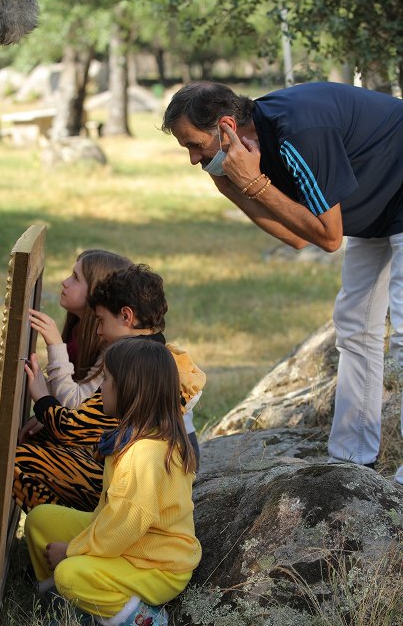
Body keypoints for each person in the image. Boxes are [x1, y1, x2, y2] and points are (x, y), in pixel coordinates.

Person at [162, 80, 403, 479]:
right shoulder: (256, 143)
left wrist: (254, 184)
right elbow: (295, 235)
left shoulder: (298, 134)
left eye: (193, 145)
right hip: (380, 202)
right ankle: (352, 457)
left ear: (225, 127)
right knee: (355, 323)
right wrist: (232, 184)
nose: (192, 159)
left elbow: (327, 237)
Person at [24, 337, 202, 626]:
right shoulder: (132, 434)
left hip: (156, 564)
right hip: (129, 545)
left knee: (69, 572)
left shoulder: (145, 454)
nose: (100, 388)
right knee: (41, 520)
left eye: (106, 381)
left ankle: (145, 623)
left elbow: (122, 526)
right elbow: (112, 517)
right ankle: (78, 608)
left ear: (130, 390)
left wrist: (71, 551)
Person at [13, 264, 206, 512]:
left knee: (17, 459)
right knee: (41, 437)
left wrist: (41, 396)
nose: (99, 331)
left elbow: (71, 430)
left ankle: (68, 533)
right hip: (145, 473)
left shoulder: (135, 366)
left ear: (126, 316)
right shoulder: (154, 354)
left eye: (102, 321)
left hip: (134, 486)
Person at [19, 248, 132, 443]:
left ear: (97, 292)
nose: (65, 282)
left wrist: (55, 345)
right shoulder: (79, 330)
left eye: (75, 278)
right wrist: (45, 413)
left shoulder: (114, 350)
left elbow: (78, 410)